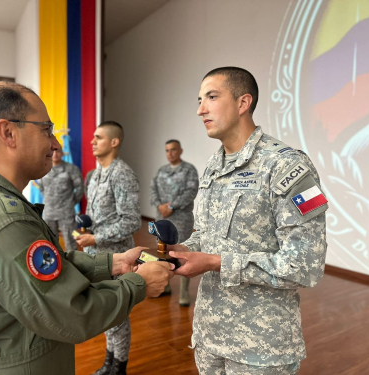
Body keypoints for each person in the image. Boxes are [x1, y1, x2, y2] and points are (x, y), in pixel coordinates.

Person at [0, 82, 174, 375]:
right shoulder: (3, 221)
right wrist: (139, 284)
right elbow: (74, 314)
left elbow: (52, 264)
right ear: (8, 133)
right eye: (45, 130)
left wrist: (112, 262)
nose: (56, 145)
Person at [169, 67, 328, 375]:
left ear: (243, 103)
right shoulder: (214, 166)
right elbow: (206, 235)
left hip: (261, 351)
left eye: (212, 97)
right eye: (200, 99)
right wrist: (179, 251)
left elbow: (306, 267)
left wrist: (217, 262)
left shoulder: (289, 166)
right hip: (209, 338)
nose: (200, 109)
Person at [75, 121, 140, 375]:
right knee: (106, 312)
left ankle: (118, 368)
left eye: (98, 137)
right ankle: (109, 364)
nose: (92, 141)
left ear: (114, 142)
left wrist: (97, 237)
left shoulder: (121, 173)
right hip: (96, 257)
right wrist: (87, 231)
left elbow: (132, 221)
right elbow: (95, 212)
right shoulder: (95, 174)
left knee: (117, 315)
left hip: (117, 257)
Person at [150, 139, 199, 306]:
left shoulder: (188, 170)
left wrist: (171, 206)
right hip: (162, 218)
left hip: (181, 219)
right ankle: (166, 286)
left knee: (183, 253)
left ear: (180, 151)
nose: (170, 153)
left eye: (173, 150)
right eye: (167, 150)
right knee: (163, 252)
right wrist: (159, 206)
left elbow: (191, 191)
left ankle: (184, 292)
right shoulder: (161, 171)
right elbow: (153, 190)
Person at [36, 143, 83, 252]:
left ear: (62, 153)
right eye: (53, 151)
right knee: (50, 243)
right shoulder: (43, 168)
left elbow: (80, 189)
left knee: (71, 242)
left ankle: (74, 267)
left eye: (58, 151)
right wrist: (50, 200)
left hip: (66, 213)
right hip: (49, 213)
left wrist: (71, 203)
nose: (55, 154)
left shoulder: (71, 169)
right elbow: (41, 188)